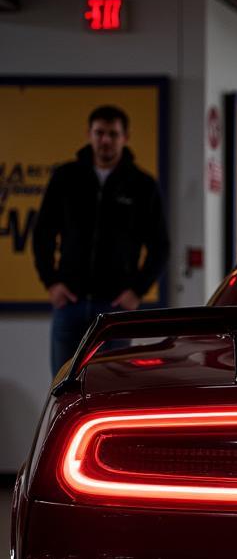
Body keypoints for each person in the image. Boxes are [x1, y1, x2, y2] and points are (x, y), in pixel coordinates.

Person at [32, 104, 170, 376]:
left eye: (113, 134)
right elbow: (43, 233)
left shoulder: (141, 185)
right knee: (63, 387)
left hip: (115, 309)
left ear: (125, 137)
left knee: (111, 387)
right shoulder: (66, 178)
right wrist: (51, 282)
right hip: (69, 304)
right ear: (89, 134)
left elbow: (160, 246)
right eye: (99, 133)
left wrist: (137, 291)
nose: (105, 140)